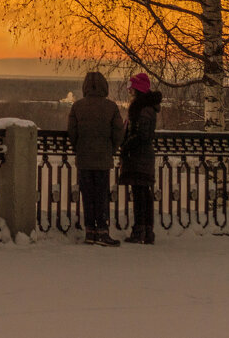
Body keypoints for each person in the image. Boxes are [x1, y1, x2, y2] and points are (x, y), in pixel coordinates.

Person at [67, 70, 124, 246]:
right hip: (102, 158)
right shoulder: (111, 107)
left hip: (84, 158)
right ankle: (103, 231)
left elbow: (72, 132)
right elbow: (118, 132)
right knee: (101, 195)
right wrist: (111, 149)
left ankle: (90, 231)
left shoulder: (77, 106)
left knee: (88, 196)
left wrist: (79, 148)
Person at [118, 72, 162, 244]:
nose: (130, 93)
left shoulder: (142, 109)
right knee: (143, 194)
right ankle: (146, 231)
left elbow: (141, 135)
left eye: (132, 89)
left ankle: (140, 231)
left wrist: (126, 145)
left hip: (139, 156)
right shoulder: (147, 108)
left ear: (138, 90)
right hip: (142, 156)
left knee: (140, 195)